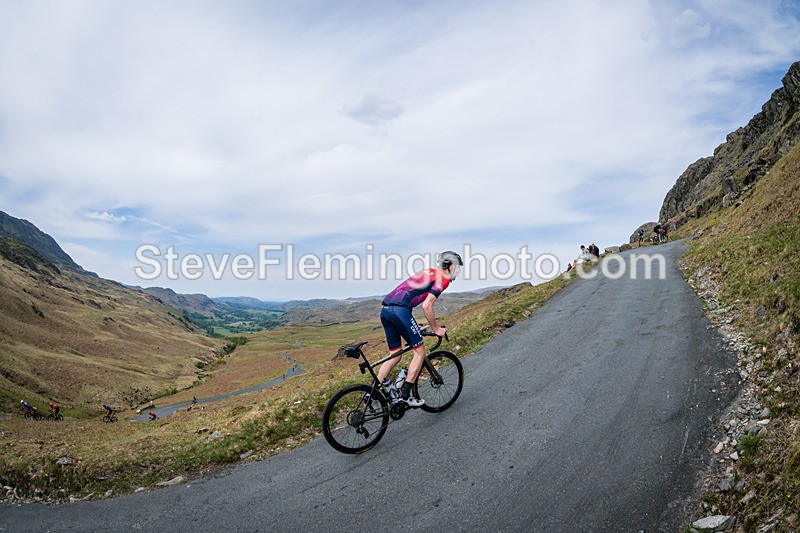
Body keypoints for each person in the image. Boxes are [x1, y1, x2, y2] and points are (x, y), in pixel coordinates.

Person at [376, 251, 463, 408]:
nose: (458, 271)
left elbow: (409, 294)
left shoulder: (428, 271)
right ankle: (405, 397)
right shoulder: (442, 279)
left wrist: (415, 326)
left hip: (386, 310)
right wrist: (436, 329)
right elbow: (427, 305)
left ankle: (372, 392)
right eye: (457, 267)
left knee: (395, 355)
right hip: (400, 310)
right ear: (449, 267)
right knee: (420, 352)